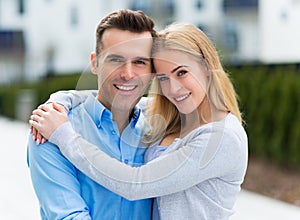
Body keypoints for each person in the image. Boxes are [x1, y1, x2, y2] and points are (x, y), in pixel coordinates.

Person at [30, 23, 248, 220]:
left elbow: (135, 184)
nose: (173, 89)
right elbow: (121, 98)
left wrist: (64, 135)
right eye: (162, 78)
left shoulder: (222, 137)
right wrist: (59, 101)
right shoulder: (172, 115)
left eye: (181, 72)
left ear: (207, 68)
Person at [27, 9, 157, 219]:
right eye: (115, 59)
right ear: (95, 62)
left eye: (140, 62)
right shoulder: (50, 129)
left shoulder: (162, 130)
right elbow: (68, 216)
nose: (128, 74)